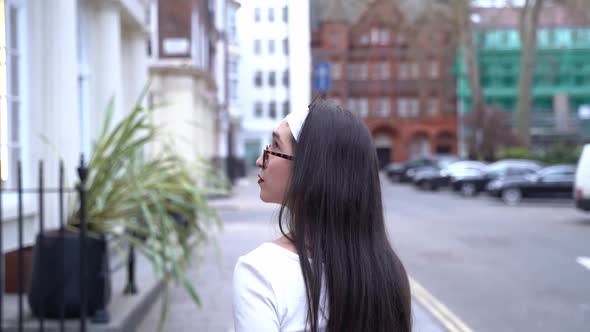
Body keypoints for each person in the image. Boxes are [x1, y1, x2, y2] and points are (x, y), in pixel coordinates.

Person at [232, 98, 412, 332]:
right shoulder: (389, 273)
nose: (260, 161)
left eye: (276, 147)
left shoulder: (260, 273)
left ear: (311, 168)